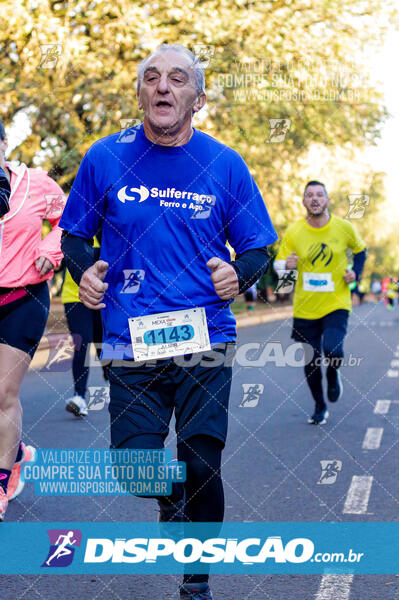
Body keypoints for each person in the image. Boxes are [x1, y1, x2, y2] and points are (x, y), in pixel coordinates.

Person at [60, 43, 277, 600]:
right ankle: (169, 501)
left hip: (207, 336)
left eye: (177, 79)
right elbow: (74, 236)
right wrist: (85, 273)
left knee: (202, 459)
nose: (163, 87)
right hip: (131, 338)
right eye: (152, 77)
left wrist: (239, 276)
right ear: (139, 93)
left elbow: (258, 247)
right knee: (136, 470)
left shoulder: (224, 163)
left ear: (197, 98)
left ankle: (196, 583)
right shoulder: (105, 157)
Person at [0, 120, 65, 520]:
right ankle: (18, 450)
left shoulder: (36, 184)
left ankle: (2, 478)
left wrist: (53, 246)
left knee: (3, 395)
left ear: (4, 144)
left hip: (22, 297)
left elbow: (71, 218)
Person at [274, 180, 366, 425]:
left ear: (327, 200)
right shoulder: (294, 232)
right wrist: (286, 266)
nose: (314, 199)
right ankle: (319, 405)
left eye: (319, 195)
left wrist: (356, 273)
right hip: (305, 307)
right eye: (309, 195)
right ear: (303, 201)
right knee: (310, 361)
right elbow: (279, 265)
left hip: (337, 302)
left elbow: (360, 250)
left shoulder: (343, 227)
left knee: (333, 350)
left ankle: (334, 375)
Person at [61, 235, 108, 417]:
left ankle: (111, 380)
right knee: (82, 343)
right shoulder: (75, 235)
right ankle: (79, 397)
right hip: (74, 297)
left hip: (103, 296)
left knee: (102, 342)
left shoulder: (107, 231)